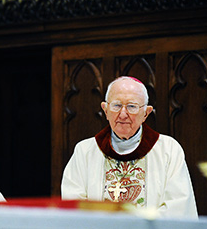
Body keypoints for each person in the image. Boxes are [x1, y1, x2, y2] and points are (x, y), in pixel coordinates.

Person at [61, 76, 198, 218]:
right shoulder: (84, 152)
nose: (123, 114)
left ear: (146, 113)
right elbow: (74, 207)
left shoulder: (169, 150)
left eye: (132, 106)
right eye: (116, 105)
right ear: (105, 110)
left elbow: (178, 209)